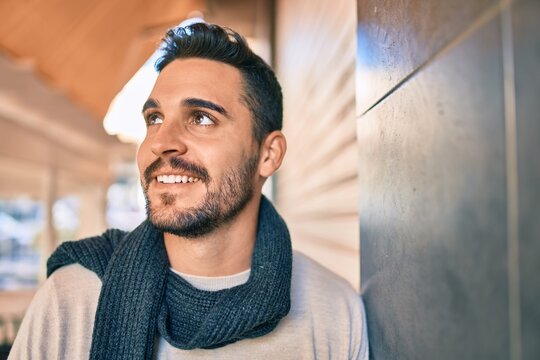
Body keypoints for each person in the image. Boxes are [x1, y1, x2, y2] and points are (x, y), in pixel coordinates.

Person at [9, 23, 368, 359]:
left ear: (268, 155)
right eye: (154, 119)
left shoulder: (333, 312)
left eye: (201, 118)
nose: (160, 142)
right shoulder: (70, 301)